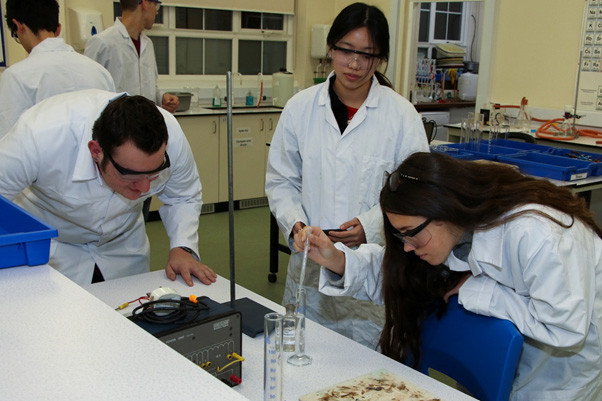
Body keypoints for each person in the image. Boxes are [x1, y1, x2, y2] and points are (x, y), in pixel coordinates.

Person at [296, 152, 602, 400]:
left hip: (562, 369)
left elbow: (565, 326)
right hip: (503, 358)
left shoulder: (538, 233)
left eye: (410, 235)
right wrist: (337, 259)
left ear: (444, 211)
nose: (407, 247)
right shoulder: (454, 232)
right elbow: (402, 274)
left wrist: (478, 291)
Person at [265, 2, 429, 348]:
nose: (355, 64)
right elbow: (282, 181)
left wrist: (369, 226)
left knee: (368, 371)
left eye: (367, 55)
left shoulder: (401, 116)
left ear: (380, 58)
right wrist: (294, 223)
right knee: (304, 356)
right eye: (346, 51)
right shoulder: (300, 108)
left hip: (372, 268)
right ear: (331, 48)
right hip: (309, 263)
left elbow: (416, 191)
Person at [0, 89, 217, 288]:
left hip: (123, 243)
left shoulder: (171, 135)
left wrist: (183, 247)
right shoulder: (39, 136)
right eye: (130, 175)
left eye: (153, 174)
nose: (143, 188)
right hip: (55, 247)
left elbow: (183, 196)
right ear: (96, 151)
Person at [0, 0, 115, 138]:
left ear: (18, 27)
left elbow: (8, 143)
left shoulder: (16, 77)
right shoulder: (100, 72)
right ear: (59, 29)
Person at [84, 0, 179, 113]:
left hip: (146, 123)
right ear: (144, 3)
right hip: (115, 126)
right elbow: (88, 94)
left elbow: (146, 86)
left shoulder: (148, 44)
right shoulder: (102, 43)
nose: (156, 12)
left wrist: (161, 97)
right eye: (155, 5)